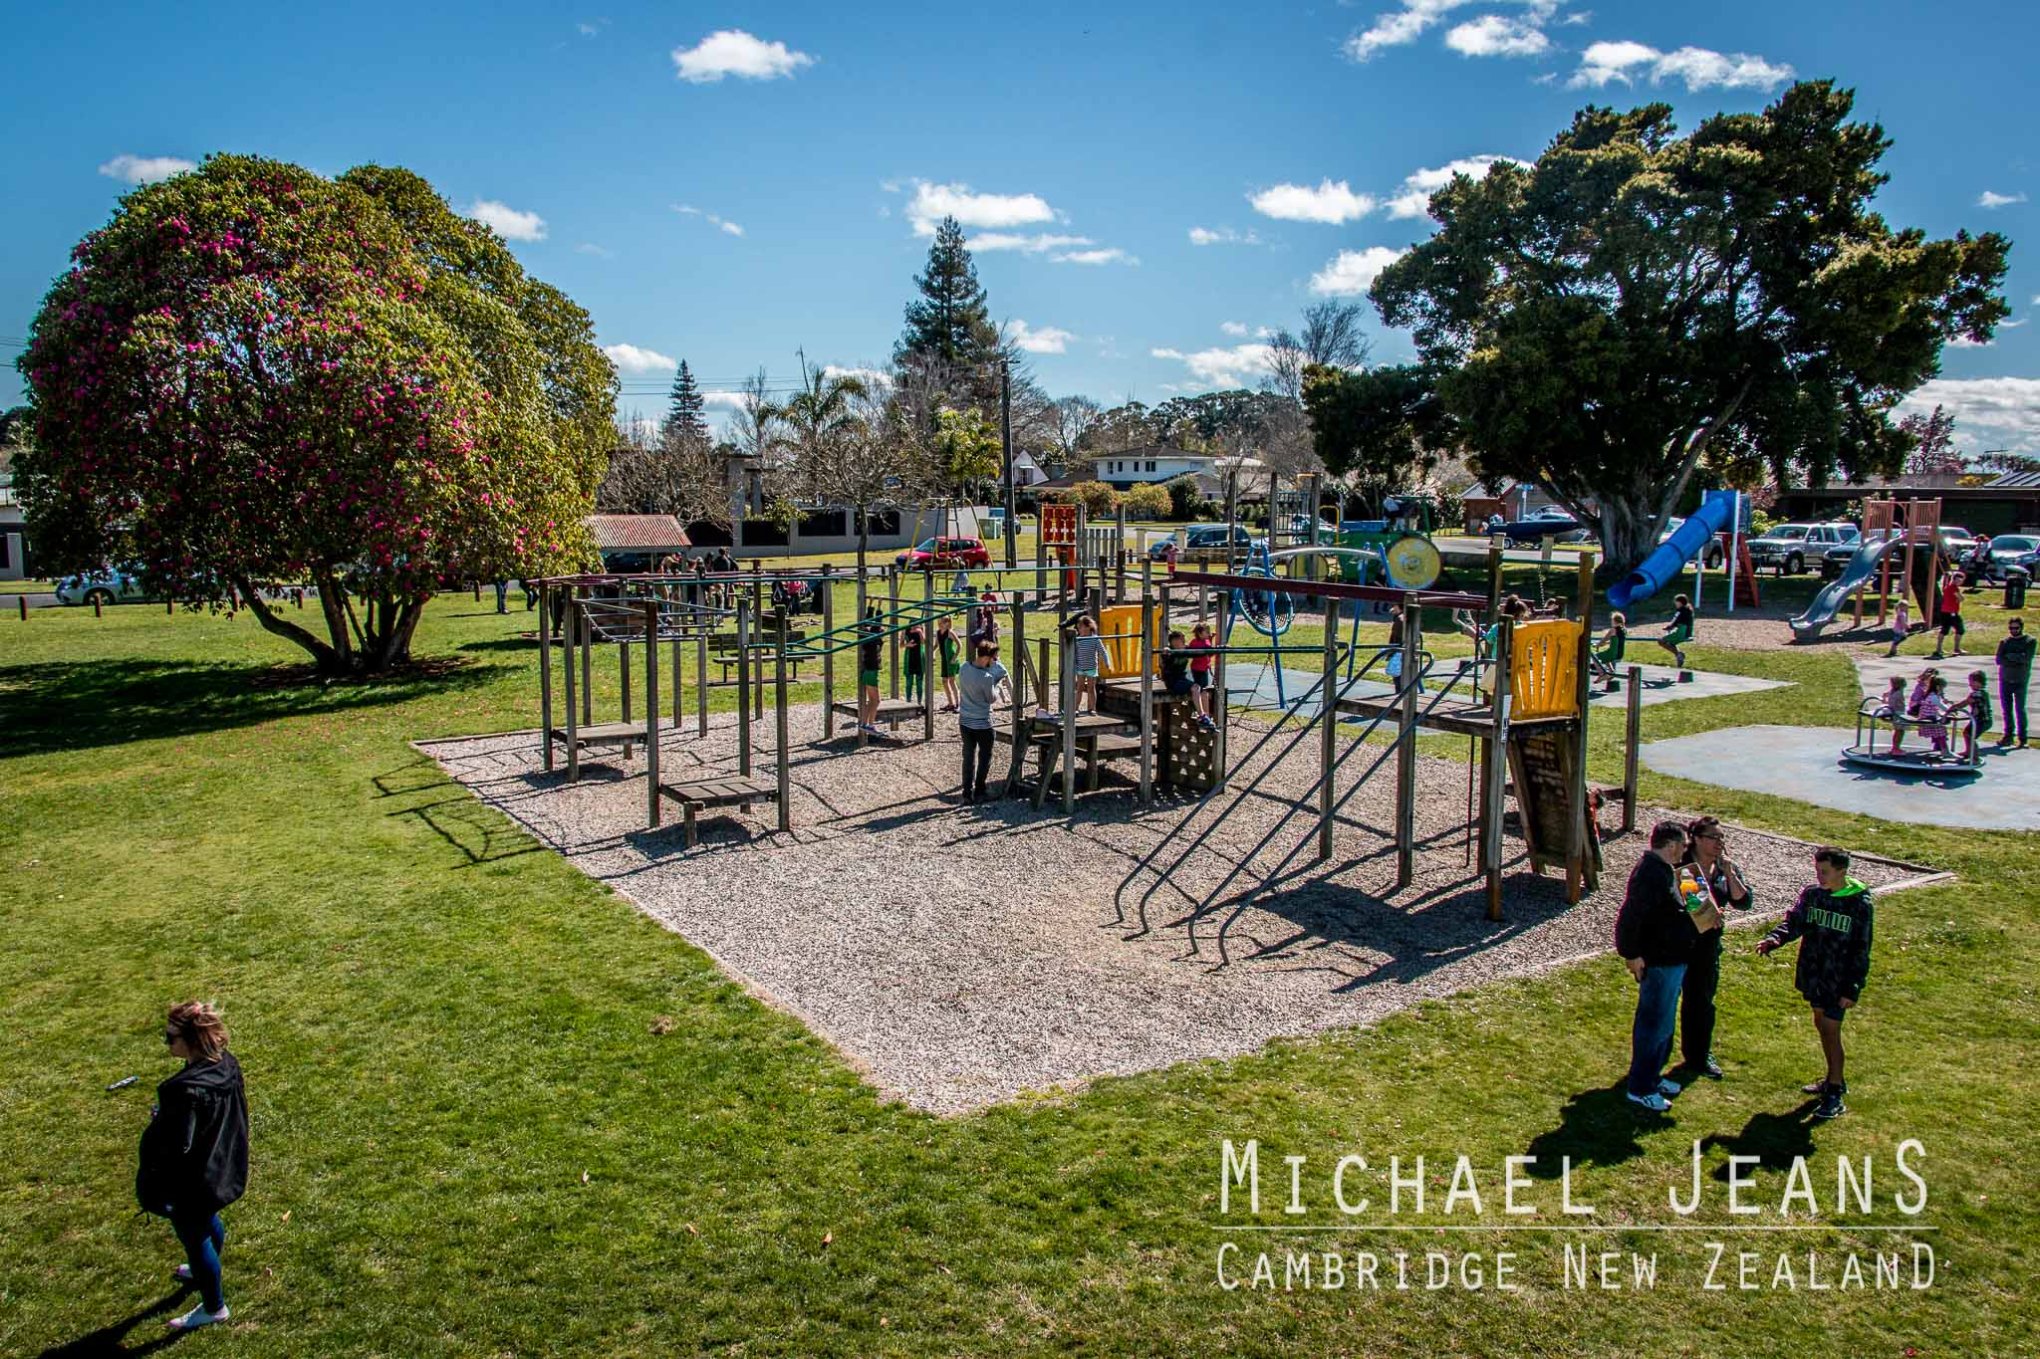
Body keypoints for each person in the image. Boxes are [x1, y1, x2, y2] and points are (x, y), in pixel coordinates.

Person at [137, 1001, 249, 1331]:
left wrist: (161, 1121)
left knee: (194, 1236)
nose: (166, 1043)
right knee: (207, 1221)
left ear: (191, 1040)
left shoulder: (182, 1091)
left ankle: (214, 1306)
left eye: (170, 1037)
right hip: (221, 1164)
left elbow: (176, 1145)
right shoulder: (227, 1064)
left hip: (192, 1181)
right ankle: (206, 1264)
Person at [1757, 847, 1874, 1120]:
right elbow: (1795, 922)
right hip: (1815, 974)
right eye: (1817, 870)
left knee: (1831, 1030)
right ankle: (1833, 1077)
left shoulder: (1859, 904)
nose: (1819, 876)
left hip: (1839, 980)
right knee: (1822, 1025)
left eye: (1825, 871)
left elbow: (1862, 947)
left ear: (1842, 871)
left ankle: (1834, 1091)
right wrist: (1775, 939)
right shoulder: (1813, 895)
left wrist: (1852, 987)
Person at [1614, 821, 1721, 1113]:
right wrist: (1631, 954)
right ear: (1671, 845)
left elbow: (1676, 911)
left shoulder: (1666, 871)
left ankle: (1653, 1076)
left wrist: (1706, 915)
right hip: (1660, 960)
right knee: (1653, 1025)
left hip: (1673, 958)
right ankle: (1641, 1088)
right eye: (1683, 844)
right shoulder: (1650, 874)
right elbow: (1630, 917)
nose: (1685, 849)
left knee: (1663, 1025)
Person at [1677, 817, 1753, 1079]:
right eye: (1713, 837)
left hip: (1707, 948)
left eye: (1722, 838)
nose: (1719, 843)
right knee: (1668, 1003)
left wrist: (1730, 873)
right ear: (1697, 839)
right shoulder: (1684, 865)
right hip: (1678, 944)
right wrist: (1710, 915)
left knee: (1701, 1003)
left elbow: (1744, 902)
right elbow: (1695, 908)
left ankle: (1699, 1055)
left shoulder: (1724, 868)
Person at [957, 639, 1011, 803]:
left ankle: (967, 793)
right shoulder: (987, 677)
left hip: (965, 720)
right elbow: (991, 698)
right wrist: (998, 686)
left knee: (968, 757)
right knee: (985, 757)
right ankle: (980, 790)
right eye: (994, 659)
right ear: (987, 658)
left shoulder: (964, 667)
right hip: (982, 722)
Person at [1998, 616, 2033, 748]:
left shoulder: (2029, 641)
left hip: (2020, 680)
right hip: (2005, 679)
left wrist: (2010, 657)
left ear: (2021, 628)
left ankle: (2023, 738)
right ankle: (2008, 736)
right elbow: (1999, 660)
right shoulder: (2005, 642)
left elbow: (2026, 658)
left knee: (2020, 710)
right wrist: (2016, 657)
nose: (2013, 630)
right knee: (2006, 710)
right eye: (2011, 628)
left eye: (2016, 628)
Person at [1950, 669, 1992, 761]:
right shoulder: (1982, 692)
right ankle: (1968, 751)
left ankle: (1975, 756)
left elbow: (1965, 703)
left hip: (1982, 720)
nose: (1970, 684)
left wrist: (1954, 707)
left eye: (1971, 682)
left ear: (1978, 682)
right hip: (1978, 719)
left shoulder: (1977, 694)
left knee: (1970, 736)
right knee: (1966, 733)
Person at [1070, 615, 1107, 714]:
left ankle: (1092, 708)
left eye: (1080, 627)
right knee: (1079, 688)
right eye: (1078, 628)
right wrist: (1073, 666)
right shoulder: (1078, 639)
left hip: (1092, 668)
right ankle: (1076, 708)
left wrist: (1107, 662)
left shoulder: (1095, 639)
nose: (1079, 629)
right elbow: (1074, 653)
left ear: (1088, 627)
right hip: (1080, 668)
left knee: (1091, 688)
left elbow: (1103, 651)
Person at [857, 606, 884, 736]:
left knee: (872, 701)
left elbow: (868, 624)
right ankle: (870, 725)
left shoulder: (868, 641)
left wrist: (871, 608)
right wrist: (879, 611)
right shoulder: (873, 644)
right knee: (876, 701)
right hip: (871, 673)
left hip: (868, 673)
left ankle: (864, 723)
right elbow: (875, 626)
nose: (882, 629)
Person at [1188, 622, 1218, 727]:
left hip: (1204, 669)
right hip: (1197, 669)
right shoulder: (1195, 643)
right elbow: (1207, 651)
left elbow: (1209, 653)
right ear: (1200, 633)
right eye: (1207, 632)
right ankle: (1201, 713)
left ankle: (1206, 714)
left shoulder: (1205, 641)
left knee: (1204, 691)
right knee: (1200, 689)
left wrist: (1211, 640)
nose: (1208, 633)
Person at [1914, 674, 1953, 756]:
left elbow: (1938, 706)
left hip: (1930, 716)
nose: (1942, 690)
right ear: (1938, 687)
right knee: (1941, 732)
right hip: (1928, 718)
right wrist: (1951, 710)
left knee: (1940, 733)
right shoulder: (1933, 696)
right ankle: (1945, 751)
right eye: (1942, 688)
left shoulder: (1932, 695)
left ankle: (1940, 747)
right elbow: (1941, 706)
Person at [1931, 568, 1965, 658]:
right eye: (1958, 580)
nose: (1959, 582)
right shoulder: (1953, 588)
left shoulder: (1947, 587)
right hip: (1951, 612)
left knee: (1945, 629)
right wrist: (1958, 599)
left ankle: (1939, 648)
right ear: (1954, 579)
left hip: (1945, 611)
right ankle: (1956, 648)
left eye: (1960, 581)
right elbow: (1961, 598)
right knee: (1960, 629)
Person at [1657, 594, 1696, 670]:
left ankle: (1679, 654)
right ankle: (1679, 655)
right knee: (1670, 643)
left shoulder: (1681, 610)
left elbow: (1675, 620)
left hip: (1682, 632)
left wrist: (1669, 627)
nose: (1675, 603)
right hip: (1687, 631)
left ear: (1680, 602)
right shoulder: (1688, 609)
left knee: (1661, 641)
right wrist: (1671, 627)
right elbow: (1679, 621)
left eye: (1676, 602)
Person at [1875, 675, 1909, 756]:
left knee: (1897, 731)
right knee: (1900, 732)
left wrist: (1885, 700)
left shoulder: (1892, 691)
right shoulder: (1898, 694)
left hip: (1896, 713)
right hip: (1899, 715)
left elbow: (1885, 694)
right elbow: (1895, 704)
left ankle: (1895, 748)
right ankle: (1896, 749)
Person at [1593, 611, 1628, 687]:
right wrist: (1603, 644)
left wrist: (1597, 645)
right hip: (1620, 654)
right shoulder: (1623, 630)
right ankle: (1611, 672)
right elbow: (1615, 641)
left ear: (1615, 621)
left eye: (1612, 620)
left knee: (1595, 657)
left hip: (1613, 653)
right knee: (1606, 658)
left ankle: (1602, 674)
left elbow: (1604, 639)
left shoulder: (1613, 630)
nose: (1611, 622)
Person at [936, 616, 961, 713]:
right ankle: (951, 703)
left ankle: (958, 704)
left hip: (951, 659)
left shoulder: (950, 633)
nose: (940, 624)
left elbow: (959, 645)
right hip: (944, 659)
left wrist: (954, 657)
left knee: (951, 681)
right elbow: (936, 645)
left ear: (947, 623)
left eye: (941, 622)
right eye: (939, 622)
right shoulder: (938, 633)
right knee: (944, 681)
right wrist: (932, 653)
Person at [1161, 630, 1193, 704]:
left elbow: (1200, 651)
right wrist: (1166, 651)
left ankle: (1202, 711)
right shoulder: (1170, 651)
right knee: (1195, 688)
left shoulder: (1186, 649)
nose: (1177, 643)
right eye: (1174, 641)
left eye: (1179, 641)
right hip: (1172, 681)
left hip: (1182, 679)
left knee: (1202, 690)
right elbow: (1165, 655)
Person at [903, 623, 926, 705]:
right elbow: (901, 644)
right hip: (909, 657)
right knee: (909, 681)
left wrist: (920, 632)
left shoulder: (921, 629)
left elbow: (924, 642)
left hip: (919, 657)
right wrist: (907, 645)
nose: (915, 627)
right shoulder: (905, 630)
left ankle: (919, 701)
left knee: (920, 681)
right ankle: (908, 701)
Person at [1882, 593, 1911, 658]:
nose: (1907, 608)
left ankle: (1894, 650)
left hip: (1897, 628)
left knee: (1898, 639)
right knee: (1900, 638)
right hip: (1899, 629)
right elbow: (1902, 621)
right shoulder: (1902, 614)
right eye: (1906, 606)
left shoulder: (1899, 612)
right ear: (1903, 607)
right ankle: (1892, 651)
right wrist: (1906, 626)